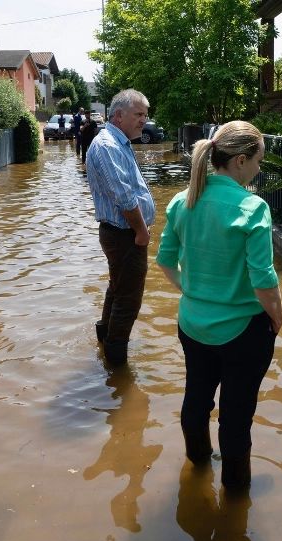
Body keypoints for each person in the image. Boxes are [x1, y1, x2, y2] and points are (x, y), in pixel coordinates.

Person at [156, 120, 282, 491]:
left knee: (195, 398)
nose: (260, 169)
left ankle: (196, 466)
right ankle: (235, 494)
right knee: (236, 416)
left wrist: (194, 291)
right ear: (241, 160)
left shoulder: (184, 200)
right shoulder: (252, 207)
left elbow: (165, 260)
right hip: (243, 331)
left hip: (193, 324)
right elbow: (263, 280)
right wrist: (277, 318)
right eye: (259, 160)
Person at [86, 89, 155, 366]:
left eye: (145, 115)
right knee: (128, 301)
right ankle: (116, 365)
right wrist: (141, 231)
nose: (143, 121)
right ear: (118, 115)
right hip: (125, 234)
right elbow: (124, 196)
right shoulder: (108, 146)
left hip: (123, 233)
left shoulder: (118, 142)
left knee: (117, 290)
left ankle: (105, 343)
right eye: (139, 114)